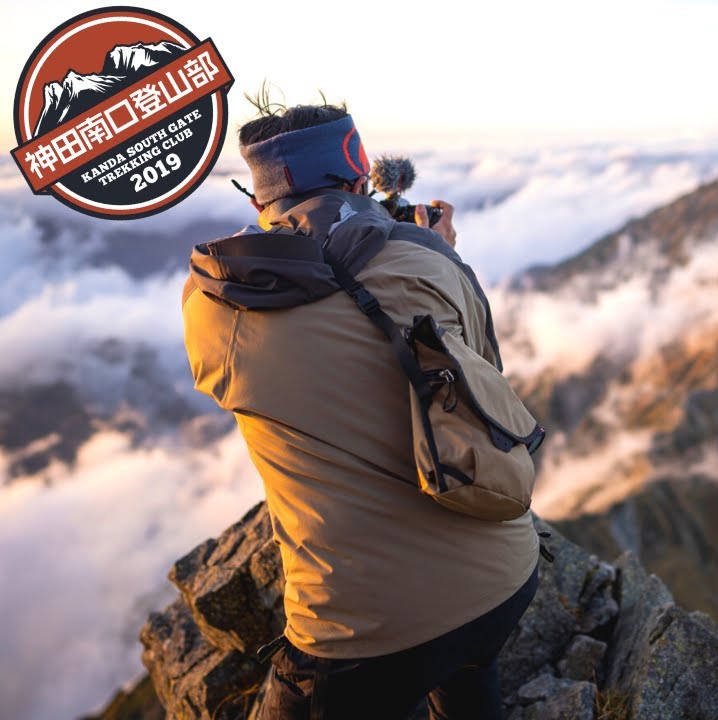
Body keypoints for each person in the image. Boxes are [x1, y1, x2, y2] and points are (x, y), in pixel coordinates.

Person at [181, 100, 541, 719]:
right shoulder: (433, 261)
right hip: (506, 577)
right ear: (360, 176)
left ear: (257, 202)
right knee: (467, 678)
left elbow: (253, 366)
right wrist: (432, 248)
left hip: (361, 634)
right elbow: (485, 385)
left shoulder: (215, 303)